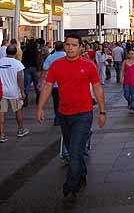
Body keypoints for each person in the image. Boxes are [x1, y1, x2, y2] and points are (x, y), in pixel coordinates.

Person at [36, 34, 106, 206]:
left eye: (74, 45)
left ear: (81, 47)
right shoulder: (56, 65)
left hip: (83, 114)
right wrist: (40, 107)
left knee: (74, 152)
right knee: (74, 149)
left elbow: (97, 88)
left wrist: (102, 111)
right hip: (64, 114)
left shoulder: (88, 66)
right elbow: (47, 86)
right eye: (67, 45)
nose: (70, 48)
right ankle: (81, 175)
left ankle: (70, 189)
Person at [0, 46, 29, 142]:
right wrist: (22, 91)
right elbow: (20, 78)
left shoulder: (0, 61)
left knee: (1, 113)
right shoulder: (18, 64)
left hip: (2, 91)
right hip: (14, 91)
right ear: (16, 53)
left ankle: (2, 135)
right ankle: (20, 130)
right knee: (18, 110)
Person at [40, 41, 66, 126]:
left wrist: (41, 81)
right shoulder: (67, 56)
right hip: (67, 84)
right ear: (63, 47)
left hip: (54, 85)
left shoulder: (50, 57)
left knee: (56, 102)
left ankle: (58, 118)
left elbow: (44, 69)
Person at [21, 39, 41, 106]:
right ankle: (38, 99)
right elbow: (38, 61)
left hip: (27, 69)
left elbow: (23, 60)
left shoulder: (25, 51)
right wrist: (38, 69)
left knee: (26, 85)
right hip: (35, 68)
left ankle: (25, 101)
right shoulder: (36, 51)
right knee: (36, 84)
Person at [120, 49, 134, 113]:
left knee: (133, 95)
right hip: (126, 81)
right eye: (130, 54)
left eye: (132, 54)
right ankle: (129, 102)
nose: (131, 55)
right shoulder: (125, 62)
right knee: (126, 94)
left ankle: (132, 108)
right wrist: (121, 78)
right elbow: (122, 71)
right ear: (127, 54)